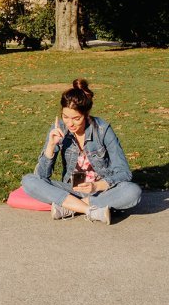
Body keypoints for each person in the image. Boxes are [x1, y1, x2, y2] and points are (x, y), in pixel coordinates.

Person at [22, 78, 141, 225]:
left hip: (100, 191)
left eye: (76, 118)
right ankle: (92, 210)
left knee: (132, 191)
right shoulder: (59, 128)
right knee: (28, 181)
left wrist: (97, 186)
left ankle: (70, 208)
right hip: (70, 190)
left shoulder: (103, 130)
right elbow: (41, 176)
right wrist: (51, 146)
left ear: (86, 114)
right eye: (65, 117)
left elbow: (124, 172)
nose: (70, 123)